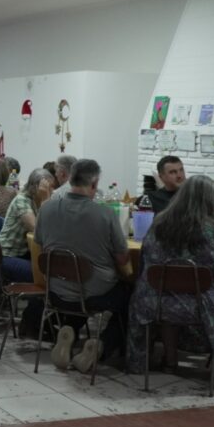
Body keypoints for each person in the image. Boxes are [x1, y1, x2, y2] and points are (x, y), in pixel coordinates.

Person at [127, 176, 214, 391]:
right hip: (202, 305)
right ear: (210, 201)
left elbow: (145, 264)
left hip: (157, 302)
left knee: (153, 301)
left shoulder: (158, 223)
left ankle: (155, 362)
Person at [32, 159, 129, 373]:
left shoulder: (46, 209)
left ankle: (68, 330)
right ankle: (100, 346)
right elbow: (123, 259)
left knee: (76, 288)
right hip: (94, 292)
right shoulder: (105, 214)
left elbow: (39, 243)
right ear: (94, 184)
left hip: (56, 291)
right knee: (131, 297)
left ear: (69, 178)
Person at [0, 169, 53, 284]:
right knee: (43, 276)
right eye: (48, 188)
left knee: (53, 271)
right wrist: (46, 200)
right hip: (7, 256)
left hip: (23, 254)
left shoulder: (36, 201)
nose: (51, 191)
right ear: (36, 187)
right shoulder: (21, 200)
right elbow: (37, 230)